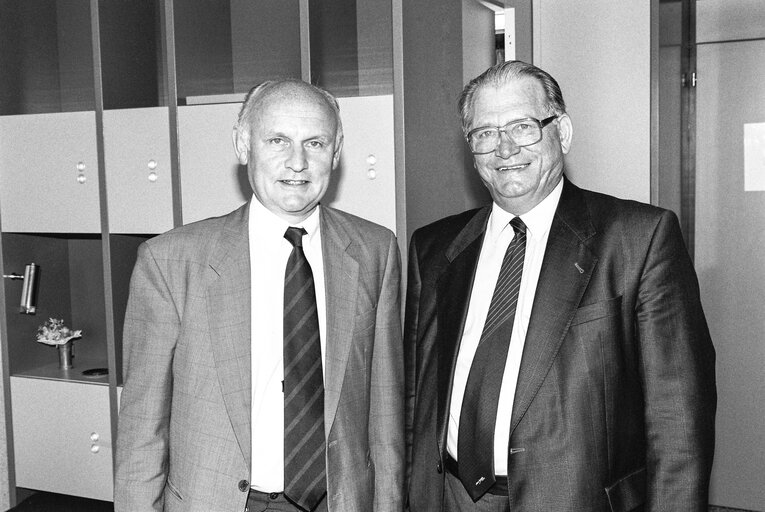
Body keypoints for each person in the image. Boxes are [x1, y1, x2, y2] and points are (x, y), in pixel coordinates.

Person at [404, 60, 716, 512]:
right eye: (485, 133)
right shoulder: (433, 248)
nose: (504, 148)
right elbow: (417, 396)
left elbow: (678, 420)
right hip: (451, 496)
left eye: (522, 126)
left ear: (562, 132)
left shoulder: (638, 238)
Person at [115, 79, 404, 512]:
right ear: (243, 145)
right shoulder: (171, 261)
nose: (297, 162)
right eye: (277, 140)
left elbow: (385, 411)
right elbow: (142, 428)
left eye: (315, 142)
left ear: (337, 151)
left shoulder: (375, 250)